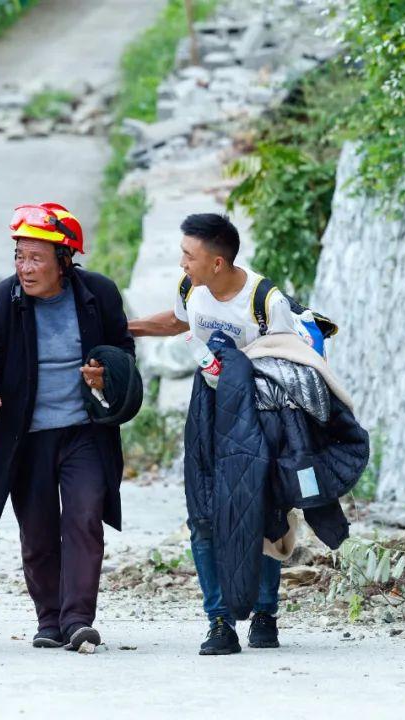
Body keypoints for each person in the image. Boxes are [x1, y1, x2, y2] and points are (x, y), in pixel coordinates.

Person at [128, 212, 307, 655]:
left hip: (261, 413)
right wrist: (124, 328)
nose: (181, 263)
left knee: (263, 509)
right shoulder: (193, 288)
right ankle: (219, 621)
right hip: (207, 410)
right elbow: (176, 322)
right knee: (204, 513)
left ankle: (265, 614)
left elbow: (290, 364)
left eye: (189, 255)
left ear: (218, 263)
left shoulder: (266, 300)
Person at [0, 202, 134, 651]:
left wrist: (107, 375)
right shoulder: (1, 302)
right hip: (27, 436)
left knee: (83, 518)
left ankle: (78, 619)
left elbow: (122, 351)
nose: (25, 267)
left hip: (84, 432)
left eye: (36, 257)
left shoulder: (99, 294)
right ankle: (49, 618)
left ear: (64, 260)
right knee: (37, 532)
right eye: (19, 256)